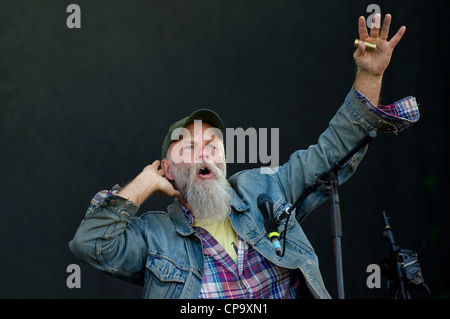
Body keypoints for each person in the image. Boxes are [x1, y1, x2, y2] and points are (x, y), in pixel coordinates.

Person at [69, 14, 419, 299]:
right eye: (189, 147)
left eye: (212, 144)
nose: (204, 151)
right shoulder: (153, 236)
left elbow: (333, 152)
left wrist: (370, 75)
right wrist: (145, 181)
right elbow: (91, 243)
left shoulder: (263, 190)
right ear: (168, 171)